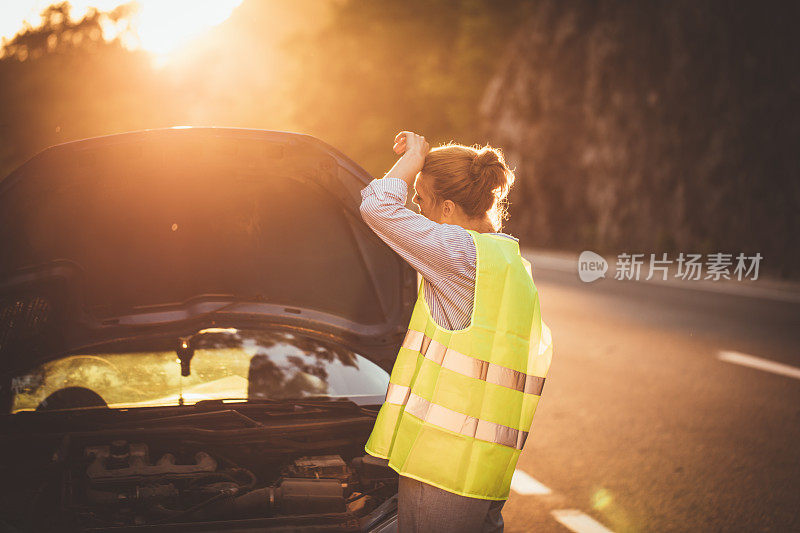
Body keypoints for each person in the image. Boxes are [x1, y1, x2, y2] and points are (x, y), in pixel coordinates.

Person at [359, 131, 553, 533]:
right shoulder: (504, 258)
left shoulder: (457, 253)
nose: (415, 209)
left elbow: (377, 205)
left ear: (447, 208)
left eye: (420, 200)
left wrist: (414, 156)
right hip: (482, 464)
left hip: (441, 468)